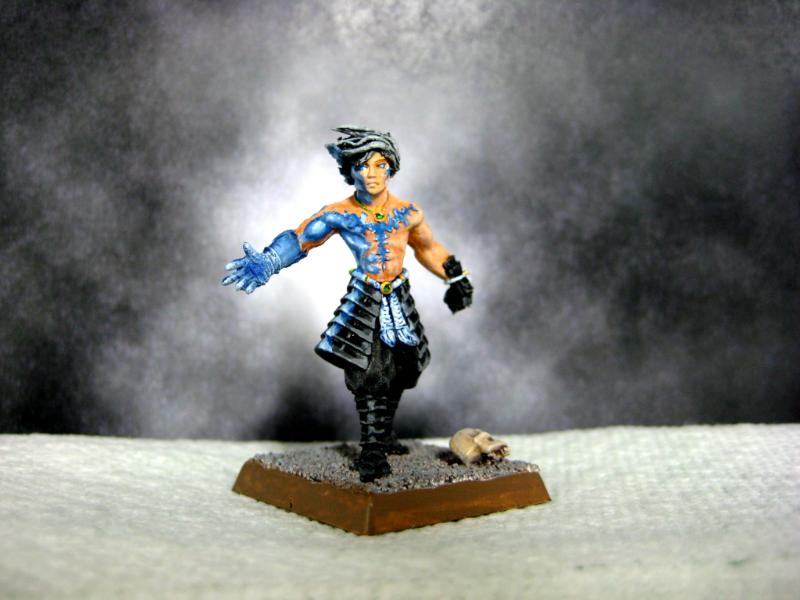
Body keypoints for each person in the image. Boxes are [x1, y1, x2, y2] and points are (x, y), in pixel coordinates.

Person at [222, 126, 473, 482]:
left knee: (404, 367)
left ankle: (384, 435)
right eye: (362, 166)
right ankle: (372, 450)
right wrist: (269, 261)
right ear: (350, 170)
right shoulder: (340, 213)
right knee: (369, 372)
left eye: (380, 165)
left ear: (391, 168)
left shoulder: (408, 213)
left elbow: (429, 249)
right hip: (366, 297)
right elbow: (302, 238)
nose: (372, 174)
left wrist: (456, 277)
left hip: (399, 295)